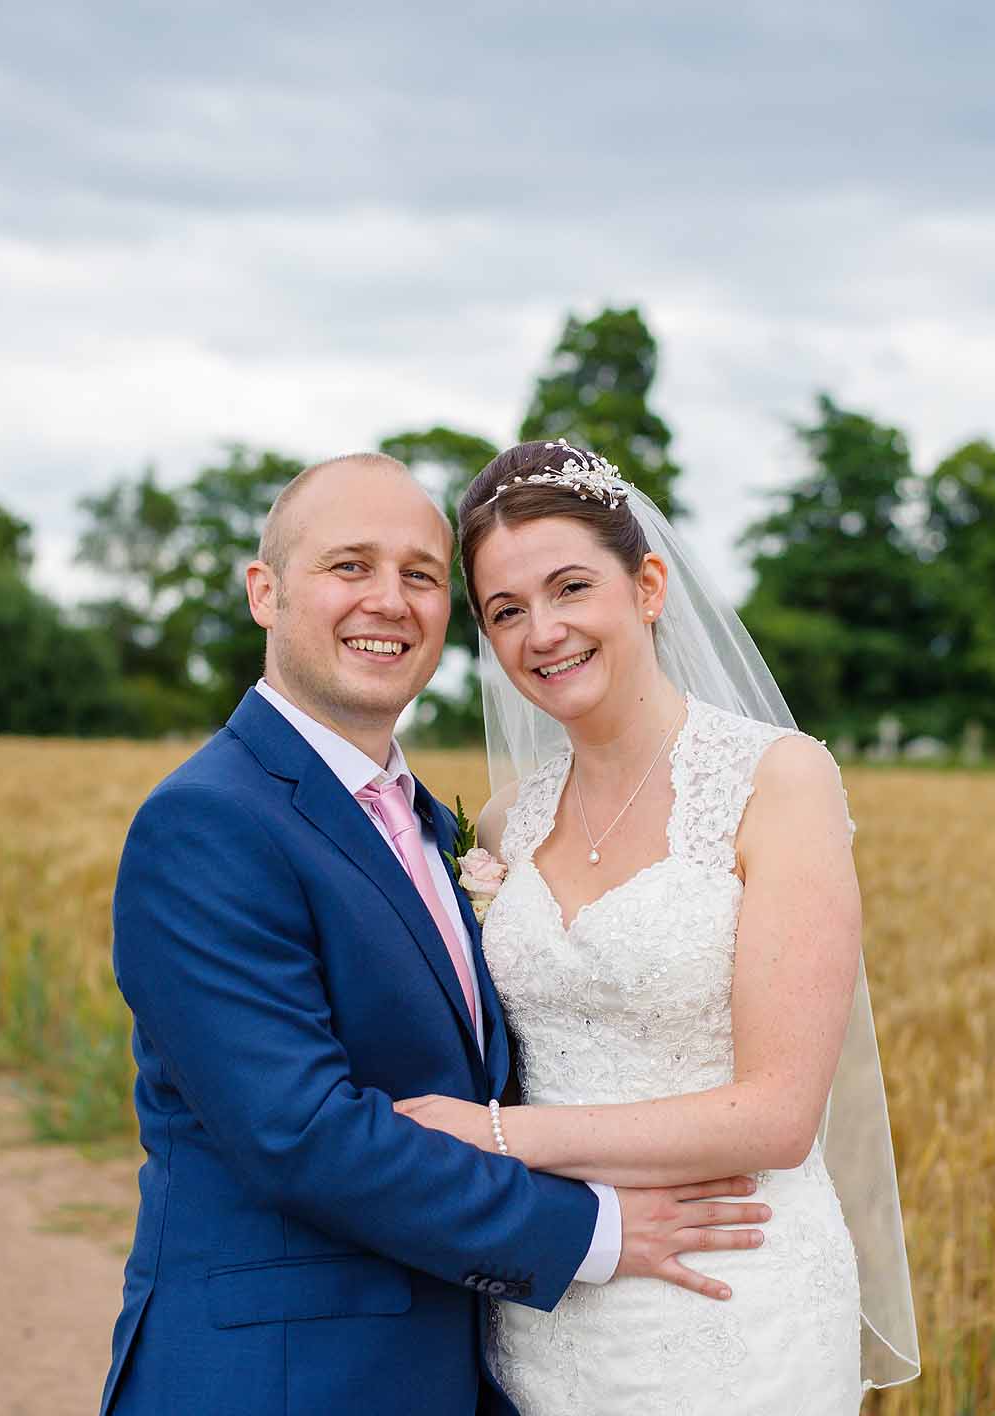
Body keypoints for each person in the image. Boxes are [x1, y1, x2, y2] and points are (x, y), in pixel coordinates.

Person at [98, 452, 774, 1416]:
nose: (390, 600)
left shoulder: (442, 828)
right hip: (278, 1381)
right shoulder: (207, 823)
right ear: (265, 592)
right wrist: (597, 1231)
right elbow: (300, 1134)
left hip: (475, 1366)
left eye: (420, 575)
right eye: (349, 566)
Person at [393, 439, 920, 1412]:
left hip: (733, 1297)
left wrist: (495, 1138)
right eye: (506, 611)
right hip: (556, 1303)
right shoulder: (507, 822)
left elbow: (777, 1116)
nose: (542, 632)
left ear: (646, 585)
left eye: (569, 588)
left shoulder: (777, 780)